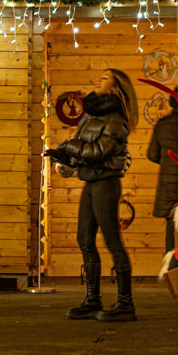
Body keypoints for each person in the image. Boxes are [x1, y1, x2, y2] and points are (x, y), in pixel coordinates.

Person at [48, 67, 139, 322]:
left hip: (106, 183)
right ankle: (92, 299)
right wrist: (65, 156)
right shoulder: (93, 114)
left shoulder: (116, 119)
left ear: (116, 86)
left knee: (112, 241)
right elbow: (86, 146)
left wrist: (67, 146)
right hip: (91, 180)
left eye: (105, 78)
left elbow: (101, 150)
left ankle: (125, 303)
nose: (98, 80)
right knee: (84, 239)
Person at [146, 93, 178, 261]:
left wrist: (168, 162)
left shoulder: (163, 124)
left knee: (171, 229)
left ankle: (172, 273)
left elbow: (152, 154)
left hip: (168, 183)